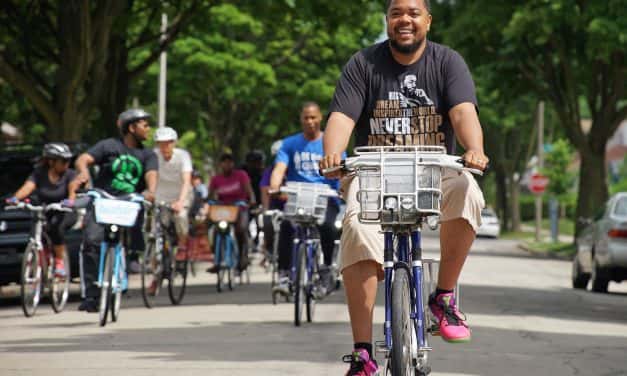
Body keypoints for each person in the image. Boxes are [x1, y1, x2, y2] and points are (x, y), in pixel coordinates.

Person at [319, 0, 489, 373]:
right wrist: (333, 154)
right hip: (376, 171)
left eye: (413, 13)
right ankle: (363, 353)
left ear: (427, 20)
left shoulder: (447, 62)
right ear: (388, 21)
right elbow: (342, 116)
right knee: (357, 228)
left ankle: (443, 298)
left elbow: (462, 111)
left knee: (466, 189)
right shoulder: (363, 64)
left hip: (433, 169)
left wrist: (474, 149)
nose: (405, 20)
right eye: (396, 13)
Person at [72, 108, 158, 312]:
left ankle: (125, 266)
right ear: (131, 127)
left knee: (131, 240)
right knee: (91, 242)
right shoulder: (108, 146)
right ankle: (91, 294)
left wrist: (150, 191)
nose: (148, 129)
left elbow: (151, 174)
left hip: (129, 203)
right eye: (144, 125)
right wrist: (83, 173)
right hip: (103, 200)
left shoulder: (147, 154)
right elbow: (82, 159)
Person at [269, 102, 345, 296]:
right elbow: (279, 169)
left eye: (313, 117)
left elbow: (343, 172)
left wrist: (344, 189)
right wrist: (275, 187)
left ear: (320, 118)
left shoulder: (332, 143)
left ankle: (327, 269)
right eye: (306, 118)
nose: (310, 121)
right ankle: (284, 274)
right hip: (298, 197)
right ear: (301, 119)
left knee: (328, 226)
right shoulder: (289, 144)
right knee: (286, 225)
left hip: (325, 198)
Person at [6, 143, 78, 277]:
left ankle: (59, 261)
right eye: (63, 160)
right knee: (37, 226)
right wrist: (15, 199)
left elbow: (73, 190)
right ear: (51, 161)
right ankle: (39, 253)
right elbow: (27, 187)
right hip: (45, 210)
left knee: (56, 227)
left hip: (64, 211)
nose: (67, 163)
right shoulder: (39, 174)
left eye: (68, 160)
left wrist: (70, 201)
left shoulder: (70, 174)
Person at [207, 153, 256, 272]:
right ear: (220, 164)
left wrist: (252, 200)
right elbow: (210, 195)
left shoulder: (241, 175)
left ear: (233, 164)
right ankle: (217, 258)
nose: (227, 164)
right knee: (214, 229)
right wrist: (209, 202)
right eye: (224, 162)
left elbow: (249, 189)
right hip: (223, 208)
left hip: (239, 207)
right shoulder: (216, 179)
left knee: (241, 228)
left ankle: (242, 256)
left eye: (229, 162)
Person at [153, 127, 193, 265]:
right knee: (155, 226)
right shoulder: (154, 156)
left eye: (168, 142)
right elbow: (151, 176)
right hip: (160, 197)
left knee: (180, 216)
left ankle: (182, 245)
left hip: (180, 195)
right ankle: (154, 265)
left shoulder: (183, 156)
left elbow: (186, 180)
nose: (165, 146)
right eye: (161, 143)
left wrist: (180, 201)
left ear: (174, 143)